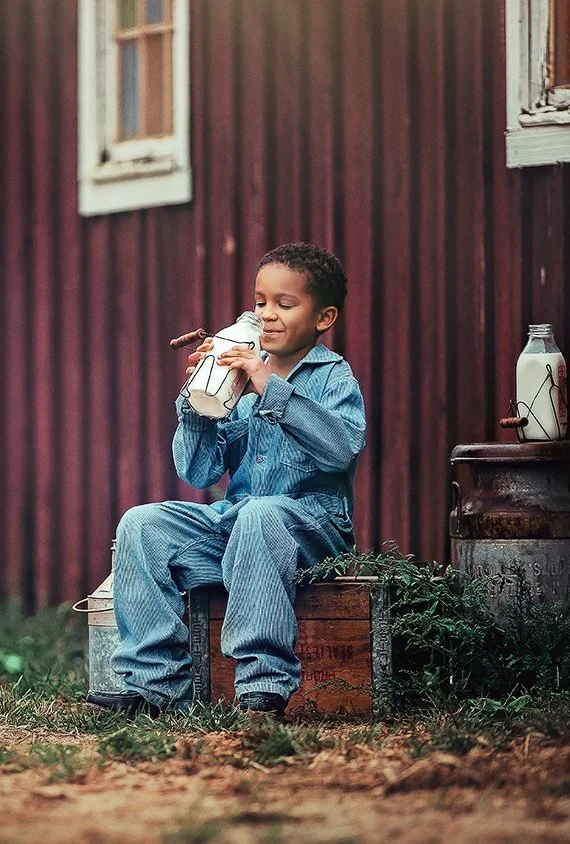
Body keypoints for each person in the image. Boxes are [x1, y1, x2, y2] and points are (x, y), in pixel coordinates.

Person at [85, 242, 367, 719]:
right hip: (237, 524)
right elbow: (199, 472)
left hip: (313, 529)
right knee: (142, 523)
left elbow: (340, 449)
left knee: (260, 514)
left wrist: (268, 385)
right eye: (260, 302)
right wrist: (198, 406)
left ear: (324, 318)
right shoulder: (235, 379)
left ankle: (262, 687)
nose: (268, 315)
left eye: (285, 303)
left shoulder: (332, 377)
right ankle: (155, 686)